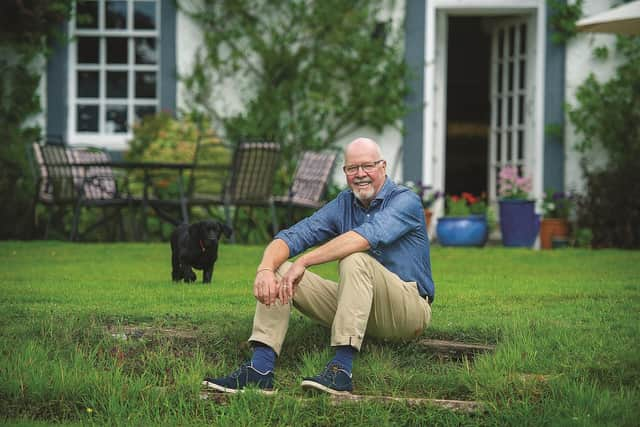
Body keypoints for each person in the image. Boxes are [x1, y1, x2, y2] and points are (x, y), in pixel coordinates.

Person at [202, 137, 434, 395]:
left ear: (383, 166)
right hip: (360, 307)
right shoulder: (344, 203)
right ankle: (260, 369)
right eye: (352, 168)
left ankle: (341, 370)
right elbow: (293, 236)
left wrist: (305, 260)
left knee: (355, 257)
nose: (360, 175)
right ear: (345, 172)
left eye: (367, 166)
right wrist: (265, 269)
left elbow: (365, 236)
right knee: (281, 269)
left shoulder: (406, 201)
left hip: (407, 311)